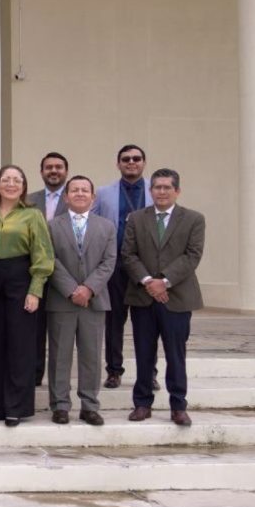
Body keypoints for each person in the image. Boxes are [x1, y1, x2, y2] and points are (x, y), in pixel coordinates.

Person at [123, 168, 205, 427]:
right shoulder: (136, 218)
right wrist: (148, 282)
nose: (161, 191)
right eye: (157, 187)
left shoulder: (194, 219)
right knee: (144, 352)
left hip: (177, 297)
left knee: (175, 354)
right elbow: (128, 254)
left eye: (166, 187)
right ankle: (142, 403)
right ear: (151, 190)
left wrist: (164, 281)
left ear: (177, 191)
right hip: (142, 296)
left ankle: (178, 405)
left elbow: (192, 255)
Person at [0, 165, 55, 427]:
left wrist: (35, 290)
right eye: (6, 179)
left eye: (17, 180)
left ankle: (16, 406)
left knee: (19, 346)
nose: (11, 184)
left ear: (23, 186)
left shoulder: (32, 215)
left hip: (22, 278)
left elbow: (43, 255)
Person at [46, 175, 115, 426]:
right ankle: (60, 405)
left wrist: (88, 288)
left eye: (85, 190)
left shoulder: (106, 226)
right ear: (66, 197)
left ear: (93, 197)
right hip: (61, 300)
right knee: (59, 355)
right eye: (74, 190)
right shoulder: (52, 226)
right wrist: (72, 289)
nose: (80, 194)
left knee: (91, 355)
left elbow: (109, 262)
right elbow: (50, 260)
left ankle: (89, 406)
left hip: (94, 302)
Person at [93, 145, 154, 390]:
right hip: (115, 265)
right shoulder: (104, 193)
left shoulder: (154, 190)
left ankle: (149, 373)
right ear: (117, 164)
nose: (131, 162)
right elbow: (94, 224)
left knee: (147, 323)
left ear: (144, 162)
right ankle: (114, 370)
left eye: (136, 158)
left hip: (146, 266)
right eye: (125, 159)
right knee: (113, 321)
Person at [28, 152, 70, 387]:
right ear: (42, 171)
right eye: (49, 167)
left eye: (58, 167)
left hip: (67, 274)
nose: (54, 171)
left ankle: (59, 380)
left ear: (66, 171)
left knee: (61, 332)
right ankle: (35, 376)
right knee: (35, 329)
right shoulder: (28, 199)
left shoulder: (76, 198)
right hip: (36, 274)